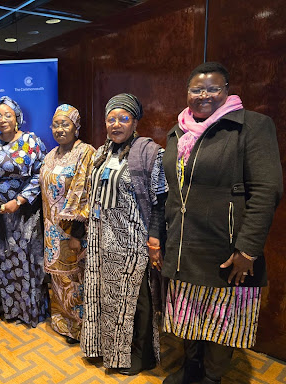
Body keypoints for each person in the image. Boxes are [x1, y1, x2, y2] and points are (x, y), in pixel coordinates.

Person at [161, 62, 283, 384]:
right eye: (196, 89)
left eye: (213, 88)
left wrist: (248, 250)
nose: (204, 95)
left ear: (227, 90)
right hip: (183, 246)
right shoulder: (178, 132)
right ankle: (190, 369)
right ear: (187, 94)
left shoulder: (252, 126)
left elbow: (267, 190)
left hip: (226, 249)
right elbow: (173, 191)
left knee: (222, 321)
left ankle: (212, 377)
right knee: (186, 318)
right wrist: (162, 238)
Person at [81, 94, 167, 375]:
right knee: (107, 299)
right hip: (101, 243)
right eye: (111, 119)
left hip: (132, 242)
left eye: (123, 118)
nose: (116, 124)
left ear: (135, 122)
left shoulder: (149, 153)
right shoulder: (101, 154)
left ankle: (138, 357)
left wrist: (154, 239)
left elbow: (161, 202)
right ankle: (109, 352)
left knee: (137, 301)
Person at [0, 95, 49, 327]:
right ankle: (6, 309)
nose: (2, 119)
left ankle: (28, 311)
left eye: (7, 115)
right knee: (3, 260)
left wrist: (18, 200)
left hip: (25, 214)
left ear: (17, 117)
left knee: (26, 261)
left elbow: (41, 173)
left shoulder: (32, 141)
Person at [39, 104, 95, 344]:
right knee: (59, 280)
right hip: (51, 230)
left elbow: (85, 195)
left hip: (73, 232)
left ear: (76, 127)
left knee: (75, 280)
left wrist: (77, 234)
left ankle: (79, 327)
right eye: (56, 124)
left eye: (66, 124)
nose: (60, 129)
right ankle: (61, 322)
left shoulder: (85, 152)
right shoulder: (51, 155)